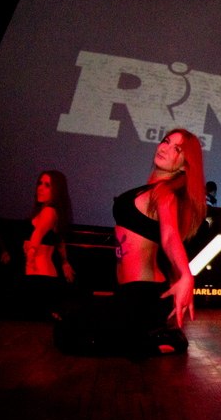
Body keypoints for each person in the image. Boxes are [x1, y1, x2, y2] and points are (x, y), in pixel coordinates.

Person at [54, 129, 206, 357]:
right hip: (126, 290)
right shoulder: (149, 190)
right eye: (166, 141)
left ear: (184, 165)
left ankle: (151, 342)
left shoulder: (165, 194)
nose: (165, 148)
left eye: (177, 149)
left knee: (68, 334)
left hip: (143, 293)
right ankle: (146, 336)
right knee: (66, 319)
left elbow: (169, 235)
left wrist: (186, 275)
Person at [0, 170, 76, 320]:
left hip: (39, 278)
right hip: (40, 276)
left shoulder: (49, 211)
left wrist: (31, 253)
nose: (40, 188)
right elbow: (59, 241)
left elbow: (38, 233)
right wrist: (65, 262)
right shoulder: (48, 212)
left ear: (57, 190)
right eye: (40, 183)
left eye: (47, 185)